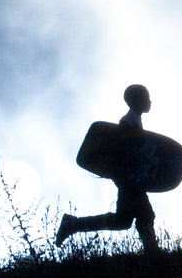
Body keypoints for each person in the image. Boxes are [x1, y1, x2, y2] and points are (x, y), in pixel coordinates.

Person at [57, 84, 162, 254]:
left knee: (123, 221)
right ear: (137, 100)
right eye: (147, 98)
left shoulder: (133, 121)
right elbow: (124, 151)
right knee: (145, 215)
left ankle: (73, 224)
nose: (150, 102)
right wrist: (125, 176)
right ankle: (153, 252)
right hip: (129, 181)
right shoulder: (129, 123)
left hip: (129, 180)